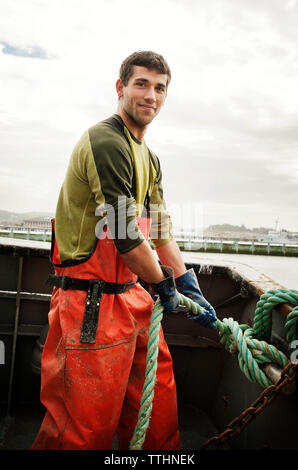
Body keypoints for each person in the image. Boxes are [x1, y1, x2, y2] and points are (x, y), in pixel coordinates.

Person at [32, 50, 217, 451]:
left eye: (160, 88)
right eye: (141, 84)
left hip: (133, 298)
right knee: (83, 431)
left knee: (157, 412)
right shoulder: (105, 140)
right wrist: (166, 288)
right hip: (90, 305)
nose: (151, 95)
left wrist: (186, 281)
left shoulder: (149, 158)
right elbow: (127, 235)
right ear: (121, 88)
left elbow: (160, 228)